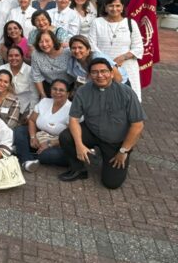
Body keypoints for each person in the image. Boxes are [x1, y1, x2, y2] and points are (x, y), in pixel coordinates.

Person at [58, 58, 145, 188]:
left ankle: (105, 155)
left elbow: (138, 125)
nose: (99, 75)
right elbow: (74, 119)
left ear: (111, 73)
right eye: (94, 72)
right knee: (66, 137)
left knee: (111, 184)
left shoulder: (126, 93)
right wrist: (79, 145)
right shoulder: (83, 91)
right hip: (92, 131)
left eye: (103, 71)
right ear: (89, 75)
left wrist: (123, 151)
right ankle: (78, 169)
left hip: (116, 142)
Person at [88, 0, 144, 100]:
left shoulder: (130, 23)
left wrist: (122, 58)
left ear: (122, 7)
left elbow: (138, 47)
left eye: (118, 6)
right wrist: (108, 63)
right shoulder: (97, 22)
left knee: (128, 98)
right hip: (103, 68)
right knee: (104, 98)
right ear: (105, 7)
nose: (114, 9)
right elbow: (92, 45)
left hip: (127, 66)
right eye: (111, 5)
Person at [14, 79, 72, 172]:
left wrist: (49, 144)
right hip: (39, 136)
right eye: (54, 89)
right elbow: (32, 120)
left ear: (68, 93)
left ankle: (22, 152)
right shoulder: (44, 101)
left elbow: (72, 136)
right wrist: (33, 137)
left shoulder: (72, 109)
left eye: (61, 90)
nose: (57, 92)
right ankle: (27, 161)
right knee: (19, 131)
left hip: (59, 144)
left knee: (48, 155)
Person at [31, 30, 73, 98]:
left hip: (69, 87)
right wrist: (42, 94)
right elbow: (36, 76)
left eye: (47, 41)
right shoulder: (36, 54)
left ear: (53, 40)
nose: (44, 44)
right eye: (41, 42)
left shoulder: (67, 52)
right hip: (49, 87)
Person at [0, 46, 36, 118]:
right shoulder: (2, 68)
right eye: (10, 56)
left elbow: (34, 94)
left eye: (17, 55)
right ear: (7, 57)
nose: (13, 58)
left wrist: (31, 113)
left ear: (22, 57)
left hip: (23, 110)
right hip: (4, 107)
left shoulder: (30, 71)